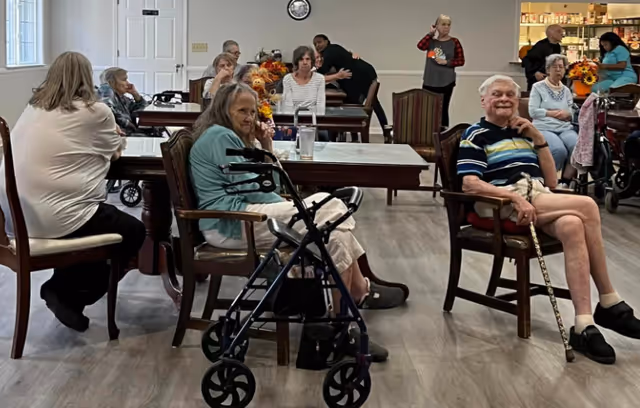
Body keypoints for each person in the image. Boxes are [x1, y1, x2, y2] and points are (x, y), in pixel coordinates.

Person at [189, 83, 405, 358]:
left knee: (333, 231)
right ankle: (352, 306)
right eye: (241, 110)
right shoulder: (220, 136)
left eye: (253, 112)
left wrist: (265, 145)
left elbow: (271, 185)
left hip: (246, 215)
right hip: (233, 222)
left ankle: (340, 324)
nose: (249, 118)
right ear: (223, 109)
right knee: (332, 208)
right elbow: (258, 189)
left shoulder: (231, 137)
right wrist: (291, 205)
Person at [457, 74, 640, 365]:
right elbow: (469, 184)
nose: (504, 99)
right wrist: (514, 198)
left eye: (510, 95)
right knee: (588, 206)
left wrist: (538, 138)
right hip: (501, 203)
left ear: (518, 102)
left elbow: (551, 180)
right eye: (497, 94)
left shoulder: (523, 132)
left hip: (536, 197)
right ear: (484, 101)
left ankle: (583, 325)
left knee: (573, 224)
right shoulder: (475, 135)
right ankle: (609, 300)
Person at [0, 52, 146, 332]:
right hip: (57, 217)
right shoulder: (96, 111)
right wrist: (113, 136)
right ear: (87, 78)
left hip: (13, 216)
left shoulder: (33, 108)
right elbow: (114, 152)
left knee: (94, 223)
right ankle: (66, 292)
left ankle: (65, 291)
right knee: (133, 231)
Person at [313, 34, 391, 139]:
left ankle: (346, 136)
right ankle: (385, 129)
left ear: (327, 41)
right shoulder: (335, 48)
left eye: (320, 42)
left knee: (365, 102)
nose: (318, 45)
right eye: (315, 44)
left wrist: (314, 70)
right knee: (373, 103)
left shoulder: (329, 52)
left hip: (362, 75)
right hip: (365, 72)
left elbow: (322, 72)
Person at [529, 54, 578, 187]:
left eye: (561, 67)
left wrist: (568, 114)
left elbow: (571, 111)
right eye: (554, 67)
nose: (558, 70)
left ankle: (565, 182)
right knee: (559, 150)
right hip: (544, 127)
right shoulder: (538, 87)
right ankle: (549, 181)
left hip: (564, 128)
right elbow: (533, 111)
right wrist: (552, 113)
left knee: (577, 147)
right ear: (548, 70)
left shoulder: (567, 90)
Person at [417, 14, 465, 129]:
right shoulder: (431, 42)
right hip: (429, 80)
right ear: (436, 26)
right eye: (443, 24)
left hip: (446, 81)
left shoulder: (454, 42)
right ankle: (426, 134)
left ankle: (443, 137)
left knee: (442, 110)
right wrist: (430, 34)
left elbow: (461, 61)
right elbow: (420, 46)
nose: (446, 27)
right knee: (427, 110)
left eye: (448, 25)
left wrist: (447, 62)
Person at [282, 46, 330, 141]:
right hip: (293, 122)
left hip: (314, 122)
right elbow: (288, 106)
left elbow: (321, 105)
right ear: (296, 62)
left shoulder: (319, 79)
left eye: (307, 59)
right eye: (301, 59)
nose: (305, 62)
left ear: (312, 61)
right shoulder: (288, 79)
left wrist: (311, 123)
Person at [97, 67, 150, 137]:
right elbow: (107, 110)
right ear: (111, 82)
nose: (128, 83)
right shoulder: (106, 90)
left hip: (128, 133)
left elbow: (141, 110)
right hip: (120, 135)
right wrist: (128, 124)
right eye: (124, 80)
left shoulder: (121, 97)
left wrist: (135, 94)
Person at [522, 24, 564, 91]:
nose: (562, 34)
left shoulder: (557, 47)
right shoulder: (540, 46)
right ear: (551, 34)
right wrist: (535, 72)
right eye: (559, 31)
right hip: (538, 81)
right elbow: (526, 60)